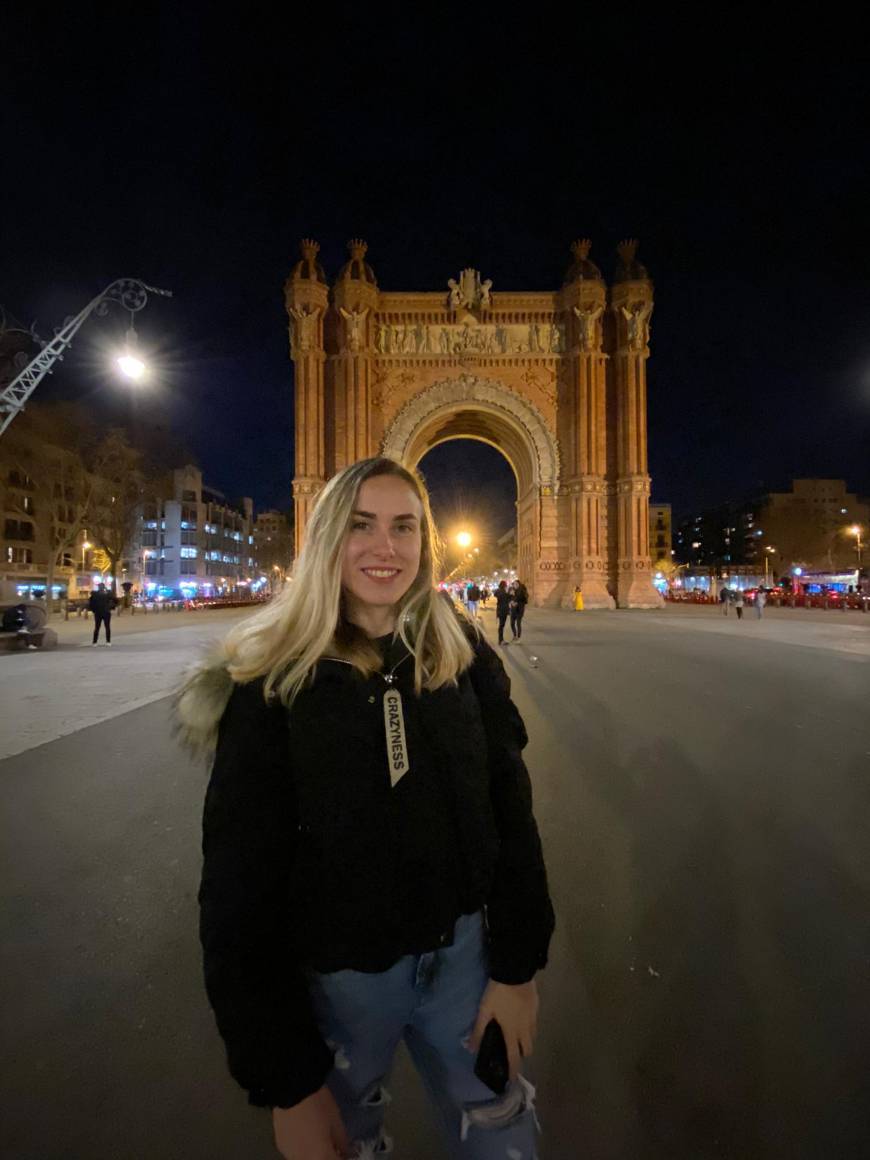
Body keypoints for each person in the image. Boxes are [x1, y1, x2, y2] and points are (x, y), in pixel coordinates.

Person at [176, 457, 554, 1160]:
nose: (386, 548)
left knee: (500, 1128)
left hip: (464, 963)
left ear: (425, 542)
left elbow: (511, 812)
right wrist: (285, 1081)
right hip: (341, 982)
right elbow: (237, 889)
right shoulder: (271, 683)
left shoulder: (462, 655)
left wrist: (517, 971)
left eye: (404, 527)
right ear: (326, 539)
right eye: (361, 526)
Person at [494, 580, 512, 645]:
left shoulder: (498, 591)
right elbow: (509, 598)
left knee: (501, 625)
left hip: (499, 609)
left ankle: (501, 640)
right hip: (503, 610)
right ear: (504, 585)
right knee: (502, 625)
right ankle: (501, 640)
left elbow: (495, 594)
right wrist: (509, 594)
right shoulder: (504, 592)